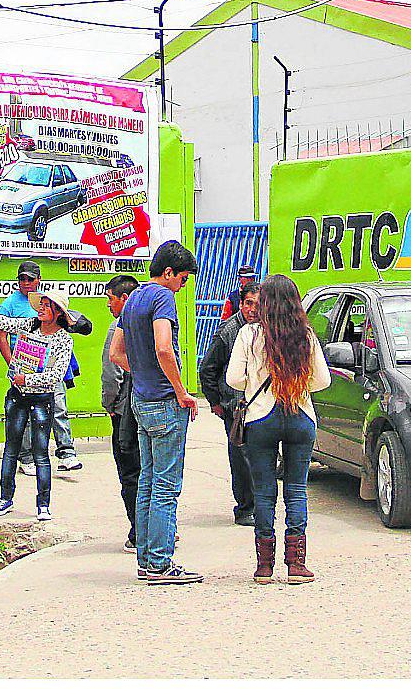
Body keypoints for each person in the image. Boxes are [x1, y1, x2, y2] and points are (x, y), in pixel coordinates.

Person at [225, 274, 331, 584]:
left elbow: (233, 378)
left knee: (264, 491)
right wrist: (297, 387)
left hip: (261, 419)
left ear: (266, 303)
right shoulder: (306, 336)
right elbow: (322, 380)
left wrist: (255, 385)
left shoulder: (250, 334)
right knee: (296, 489)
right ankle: (296, 565)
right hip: (299, 416)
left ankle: (264, 566)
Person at [109, 241, 202, 585]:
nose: (183, 286)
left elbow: (116, 352)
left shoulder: (132, 298)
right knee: (165, 485)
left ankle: (147, 559)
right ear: (168, 273)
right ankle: (161, 564)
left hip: (140, 401)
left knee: (147, 482)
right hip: (165, 402)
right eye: (182, 278)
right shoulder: (162, 298)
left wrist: (143, 372)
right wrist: (181, 391)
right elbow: (164, 346)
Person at [0, 290, 76, 520]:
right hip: (17, 395)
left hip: (41, 399)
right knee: (11, 449)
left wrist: (27, 379)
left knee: (40, 453)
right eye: (42, 304)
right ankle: (5, 499)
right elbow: (7, 322)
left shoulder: (64, 340)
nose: (41, 308)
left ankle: (43, 505)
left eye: (47, 306)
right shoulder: (29, 325)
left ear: (58, 313)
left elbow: (56, 375)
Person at [0, 261, 91, 474]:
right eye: (22, 279)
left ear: (39, 279)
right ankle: (27, 457)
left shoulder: (49, 301)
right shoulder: (9, 304)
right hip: (24, 367)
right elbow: (2, 334)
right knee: (27, 413)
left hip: (49, 365)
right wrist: (13, 365)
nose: (26, 282)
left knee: (58, 405)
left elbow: (76, 325)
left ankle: (66, 453)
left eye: (31, 278)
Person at [199, 282, 261, 527]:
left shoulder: (269, 330)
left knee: (260, 458)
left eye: (258, 304)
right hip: (236, 408)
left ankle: (261, 507)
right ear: (241, 304)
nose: (253, 310)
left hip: (263, 406)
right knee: (242, 458)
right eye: (248, 303)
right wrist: (215, 402)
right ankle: (245, 508)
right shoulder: (229, 331)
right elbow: (208, 369)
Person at [102, 274, 141, 553]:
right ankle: (162, 528)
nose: (108, 305)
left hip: (125, 412)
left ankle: (138, 531)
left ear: (124, 299)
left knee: (130, 471)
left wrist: (111, 406)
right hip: (153, 406)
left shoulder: (118, 328)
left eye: (110, 299)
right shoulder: (154, 324)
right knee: (153, 471)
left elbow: (111, 375)